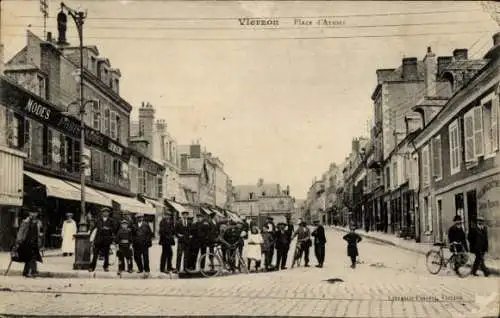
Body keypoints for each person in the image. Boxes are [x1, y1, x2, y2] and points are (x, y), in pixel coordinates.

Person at [14, 209, 43, 278]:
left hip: (35, 242)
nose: (33, 214)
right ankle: (33, 271)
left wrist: (40, 238)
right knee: (30, 257)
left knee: (31, 257)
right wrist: (18, 241)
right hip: (26, 242)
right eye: (32, 213)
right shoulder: (25, 222)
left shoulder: (39, 223)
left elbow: (40, 232)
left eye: (35, 213)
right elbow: (21, 232)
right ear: (29, 213)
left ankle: (27, 272)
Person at [89, 208, 116, 273]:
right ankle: (92, 267)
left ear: (109, 213)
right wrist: (91, 238)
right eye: (104, 212)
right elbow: (94, 229)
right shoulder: (98, 220)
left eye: (107, 212)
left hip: (107, 240)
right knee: (95, 254)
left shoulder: (111, 221)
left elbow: (114, 229)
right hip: (98, 240)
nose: (105, 213)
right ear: (102, 213)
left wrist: (108, 229)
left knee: (106, 254)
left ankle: (105, 267)